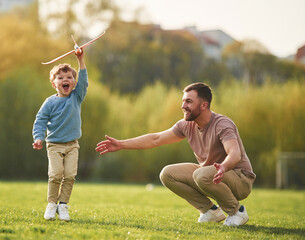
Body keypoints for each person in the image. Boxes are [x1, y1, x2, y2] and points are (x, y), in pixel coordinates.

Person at [95, 82, 256, 227]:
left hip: (239, 178)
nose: (183, 106)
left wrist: (223, 167)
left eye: (188, 101)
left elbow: (234, 154)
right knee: (168, 174)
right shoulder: (186, 125)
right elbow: (156, 139)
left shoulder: (222, 124)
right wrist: (121, 144)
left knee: (201, 174)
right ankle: (210, 211)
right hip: (208, 175)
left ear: (204, 105)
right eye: (183, 101)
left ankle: (237, 212)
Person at [32, 49, 87, 221]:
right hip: (54, 145)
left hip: (72, 145)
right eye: (61, 78)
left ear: (74, 82)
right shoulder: (50, 102)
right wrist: (38, 137)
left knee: (70, 175)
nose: (65, 80)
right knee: (55, 174)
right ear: (54, 84)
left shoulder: (76, 97)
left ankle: (63, 205)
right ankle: (51, 204)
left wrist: (81, 60)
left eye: (69, 78)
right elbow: (40, 121)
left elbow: (84, 82)